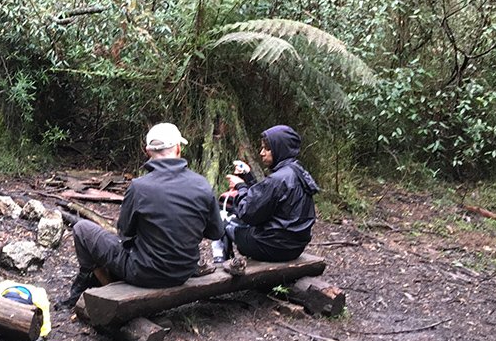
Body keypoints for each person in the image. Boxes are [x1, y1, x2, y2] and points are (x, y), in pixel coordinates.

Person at [61, 122, 224, 309]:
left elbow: (124, 233)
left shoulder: (139, 187)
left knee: (82, 229)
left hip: (144, 273)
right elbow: (215, 233)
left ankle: (85, 284)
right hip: (184, 271)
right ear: (179, 148)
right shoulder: (202, 184)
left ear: (148, 152)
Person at [220, 124, 319, 262]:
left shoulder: (278, 179)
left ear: (280, 149)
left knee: (223, 222)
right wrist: (248, 176)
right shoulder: (297, 172)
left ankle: (221, 266)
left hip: (271, 247)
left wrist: (240, 186)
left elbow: (248, 212)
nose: (261, 153)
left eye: (267, 149)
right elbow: (266, 199)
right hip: (294, 247)